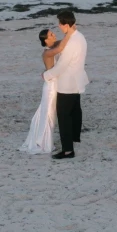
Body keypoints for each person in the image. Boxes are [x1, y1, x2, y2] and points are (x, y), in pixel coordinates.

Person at [43, 10, 88, 160]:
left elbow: (61, 66)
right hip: (77, 81)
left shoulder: (72, 43)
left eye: (60, 24)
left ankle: (68, 150)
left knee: (64, 116)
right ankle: (75, 137)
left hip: (67, 84)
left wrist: (46, 75)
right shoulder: (80, 37)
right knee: (75, 111)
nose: (59, 26)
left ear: (66, 25)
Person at [19, 27, 68, 154]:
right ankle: (44, 142)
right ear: (46, 40)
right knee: (48, 114)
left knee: (50, 112)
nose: (54, 35)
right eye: (51, 34)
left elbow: (61, 43)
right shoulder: (47, 52)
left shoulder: (52, 47)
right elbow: (61, 47)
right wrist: (71, 32)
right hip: (51, 86)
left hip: (55, 83)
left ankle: (46, 140)